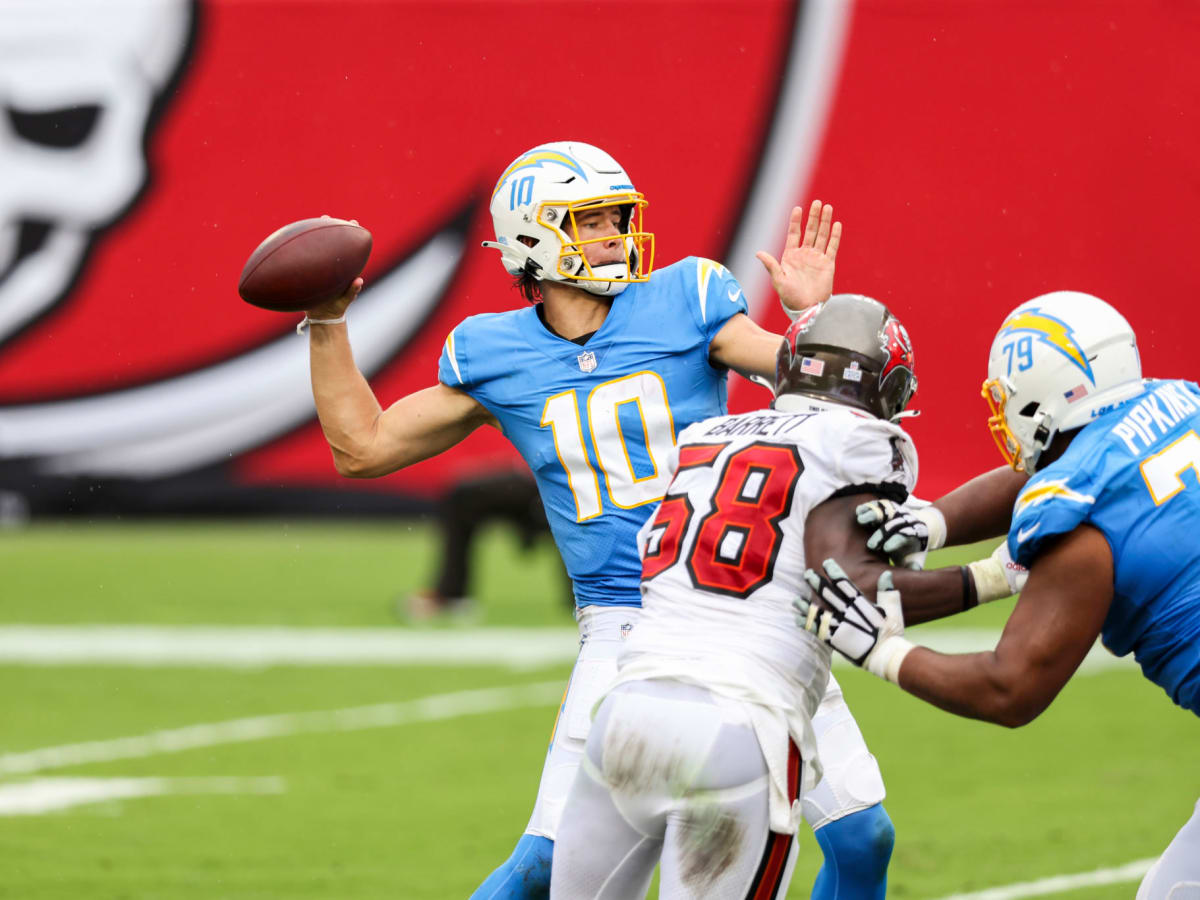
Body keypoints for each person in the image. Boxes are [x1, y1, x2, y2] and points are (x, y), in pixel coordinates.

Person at [301, 139, 893, 899]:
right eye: (591, 221)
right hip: (620, 625)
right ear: (533, 236)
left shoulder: (688, 298)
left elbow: (820, 395)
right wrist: (326, 323)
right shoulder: (493, 353)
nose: (615, 234)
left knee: (863, 835)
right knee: (542, 868)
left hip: (745, 608)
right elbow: (363, 448)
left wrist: (811, 316)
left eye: (617, 217)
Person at [797, 291, 1200, 899]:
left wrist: (882, 652)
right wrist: (933, 522)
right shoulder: (1179, 401)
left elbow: (1010, 689)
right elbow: (1071, 465)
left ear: (1041, 400)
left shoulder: (1080, 524)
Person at [548, 293, 920, 899]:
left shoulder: (701, 437)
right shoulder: (872, 445)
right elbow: (874, 579)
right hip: (744, 720)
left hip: (628, 707)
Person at [403, 465, 573, 622]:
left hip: (570, 482)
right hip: (543, 477)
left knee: (579, 519)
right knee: (461, 499)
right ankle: (451, 592)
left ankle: (590, 597)